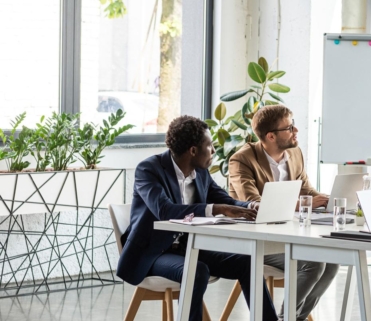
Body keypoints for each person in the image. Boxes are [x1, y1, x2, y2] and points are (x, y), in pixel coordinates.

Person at [116, 116, 277, 321]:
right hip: (152, 253)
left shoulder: (200, 173)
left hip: (187, 248)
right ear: (193, 150)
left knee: (248, 263)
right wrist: (215, 209)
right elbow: (165, 210)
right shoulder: (149, 170)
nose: (213, 151)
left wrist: (251, 205)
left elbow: (225, 201)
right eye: (210, 146)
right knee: (197, 271)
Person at [228, 104, 338, 321]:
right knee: (313, 263)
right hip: (256, 239)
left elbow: (307, 191)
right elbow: (253, 203)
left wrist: (330, 200)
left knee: (332, 261)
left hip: (289, 235)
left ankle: (290, 318)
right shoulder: (242, 159)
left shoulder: (294, 153)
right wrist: (304, 204)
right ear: (270, 136)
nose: (296, 131)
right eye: (289, 127)